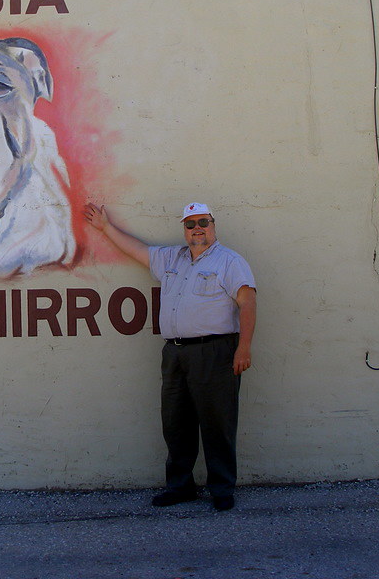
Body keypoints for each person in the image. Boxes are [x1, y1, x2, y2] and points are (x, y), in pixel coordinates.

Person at [83, 200, 256, 511]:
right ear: (184, 229)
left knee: (219, 422)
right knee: (176, 422)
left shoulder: (229, 262)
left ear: (213, 225)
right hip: (175, 353)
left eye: (203, 222)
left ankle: (222, 488)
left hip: (215, 352)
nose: (197, 228)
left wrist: (244, 347)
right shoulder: (172, 258)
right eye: (190, 224)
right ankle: (180, 486)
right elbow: (137, 251)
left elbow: (248, 302)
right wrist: (105, 228)